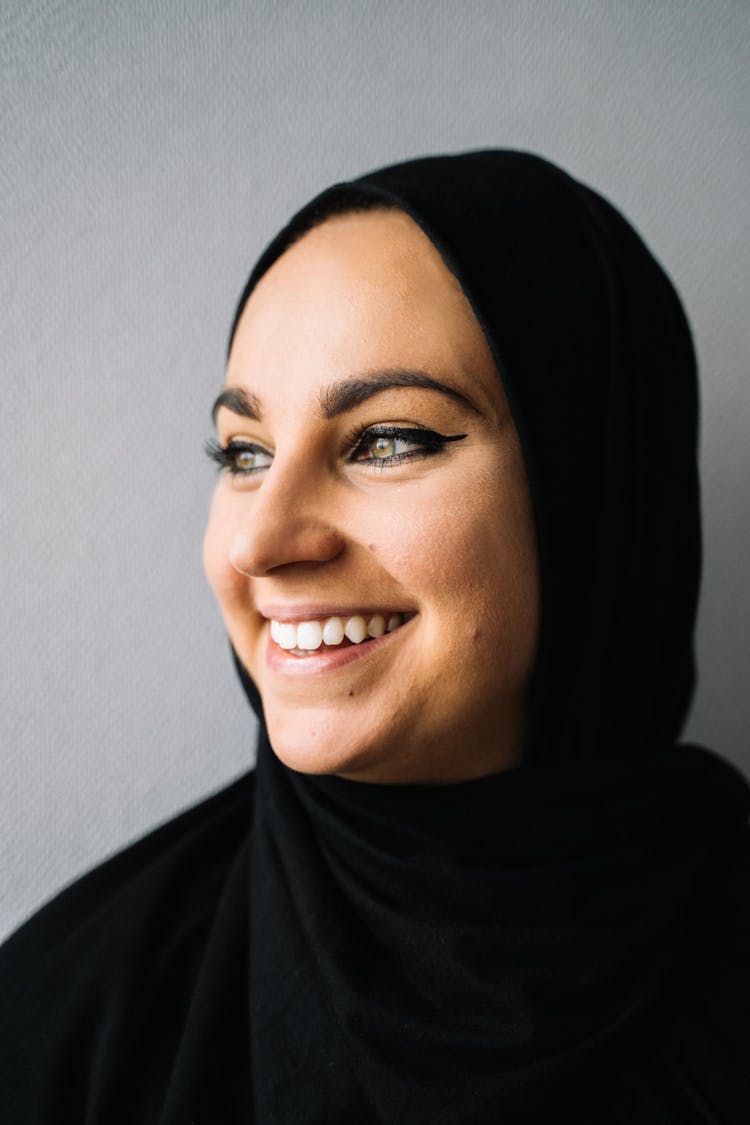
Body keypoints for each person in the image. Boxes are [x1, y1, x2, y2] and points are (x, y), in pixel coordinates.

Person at [1, 150, 748, 1124]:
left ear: (598, 498)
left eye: (387, 441)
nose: (261, 543)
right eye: (245, 454)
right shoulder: (65, 1025)